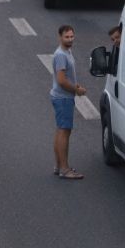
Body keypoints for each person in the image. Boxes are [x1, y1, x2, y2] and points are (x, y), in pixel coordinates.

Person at [51, 25, 86, 179]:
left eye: (72, 36)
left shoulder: (67, 52)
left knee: (61, 131)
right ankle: (65, 169)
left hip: (63, 96)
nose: (70, 39)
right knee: (64, 132)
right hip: (63, 98)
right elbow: (61, 80)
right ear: (60, 37)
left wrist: (74, 85)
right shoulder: (61, 55)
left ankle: (59, 166)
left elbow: (67, 78)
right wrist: (76, 90)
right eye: (67, 37)